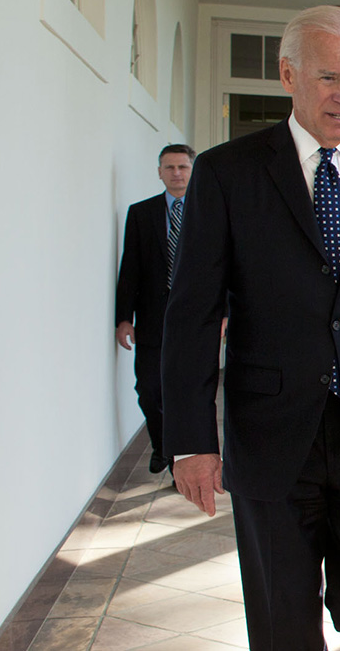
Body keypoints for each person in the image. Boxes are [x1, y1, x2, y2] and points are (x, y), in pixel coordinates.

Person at [160, 6, 340, 650]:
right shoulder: (226, 173)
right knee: (282, 628)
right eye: (328, 77)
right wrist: (190, 441)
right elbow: (191, 317)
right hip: (270, 439)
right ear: (287, 72)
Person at [115, 144, 196, 475]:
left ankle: (180, 461)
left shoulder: (208, 211)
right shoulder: (141, 213)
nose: (176, 173)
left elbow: (224, 267)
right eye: (169, 167)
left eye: (182, 167)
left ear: (193, 171)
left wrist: (224, 314)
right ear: (159, 172)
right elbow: (129, 269)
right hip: (151, 320)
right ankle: (163, 446)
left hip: (194, 320)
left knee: (187, 394)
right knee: (148, 389)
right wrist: (123, 318)